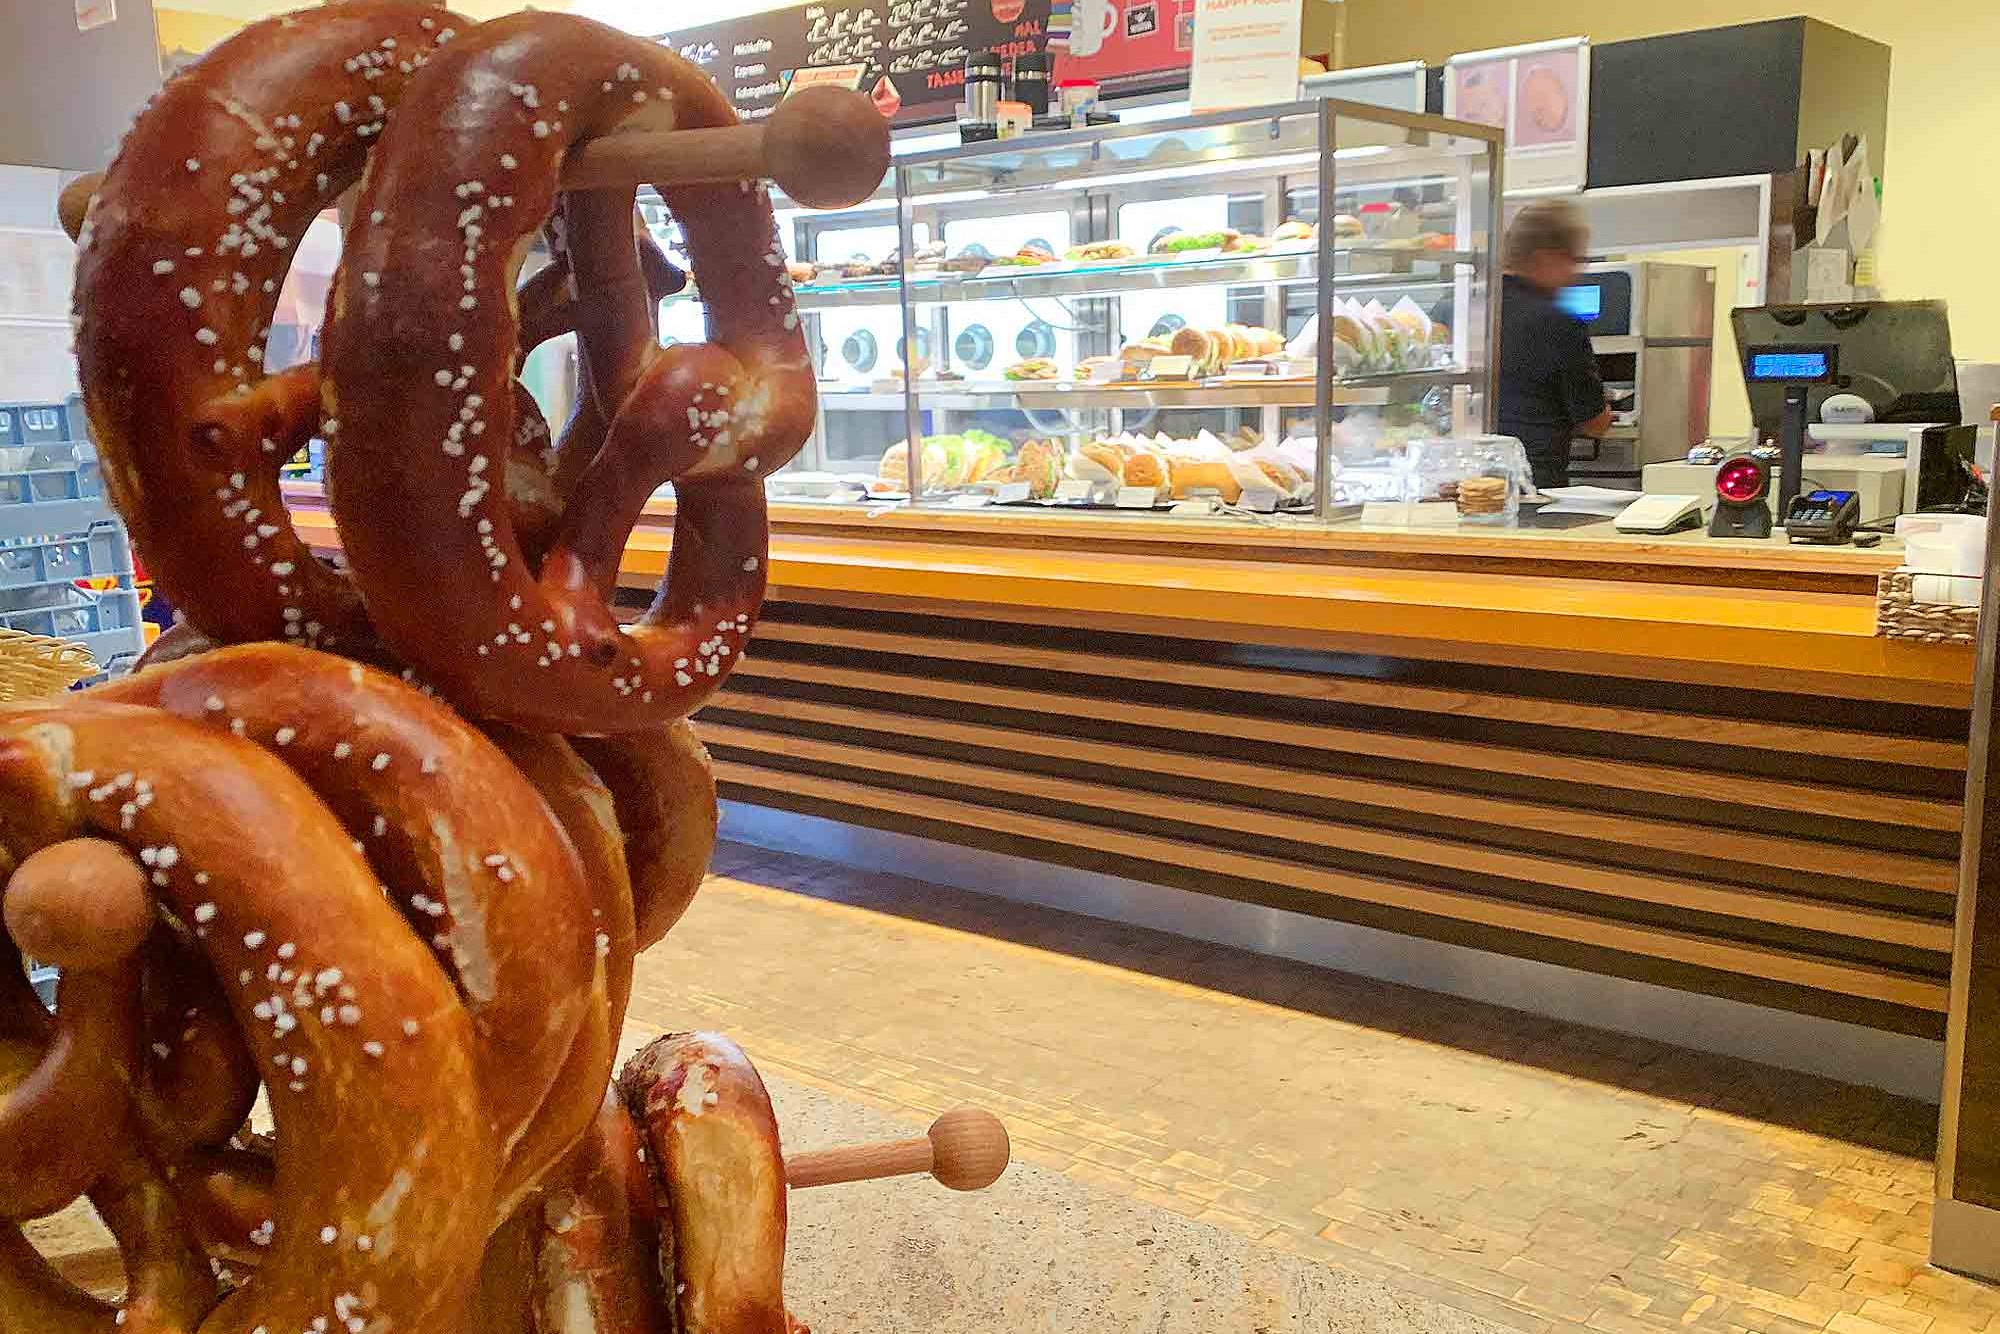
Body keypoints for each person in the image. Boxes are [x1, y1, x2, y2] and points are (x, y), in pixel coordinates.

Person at [1497, 200, 1612, 491]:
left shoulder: (1461, 307)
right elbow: (1594, 423)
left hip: (1459, 485)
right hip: (1534, 486)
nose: (1575, 273)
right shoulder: (1557, 321)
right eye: (1575, 261)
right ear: (1548, 258)